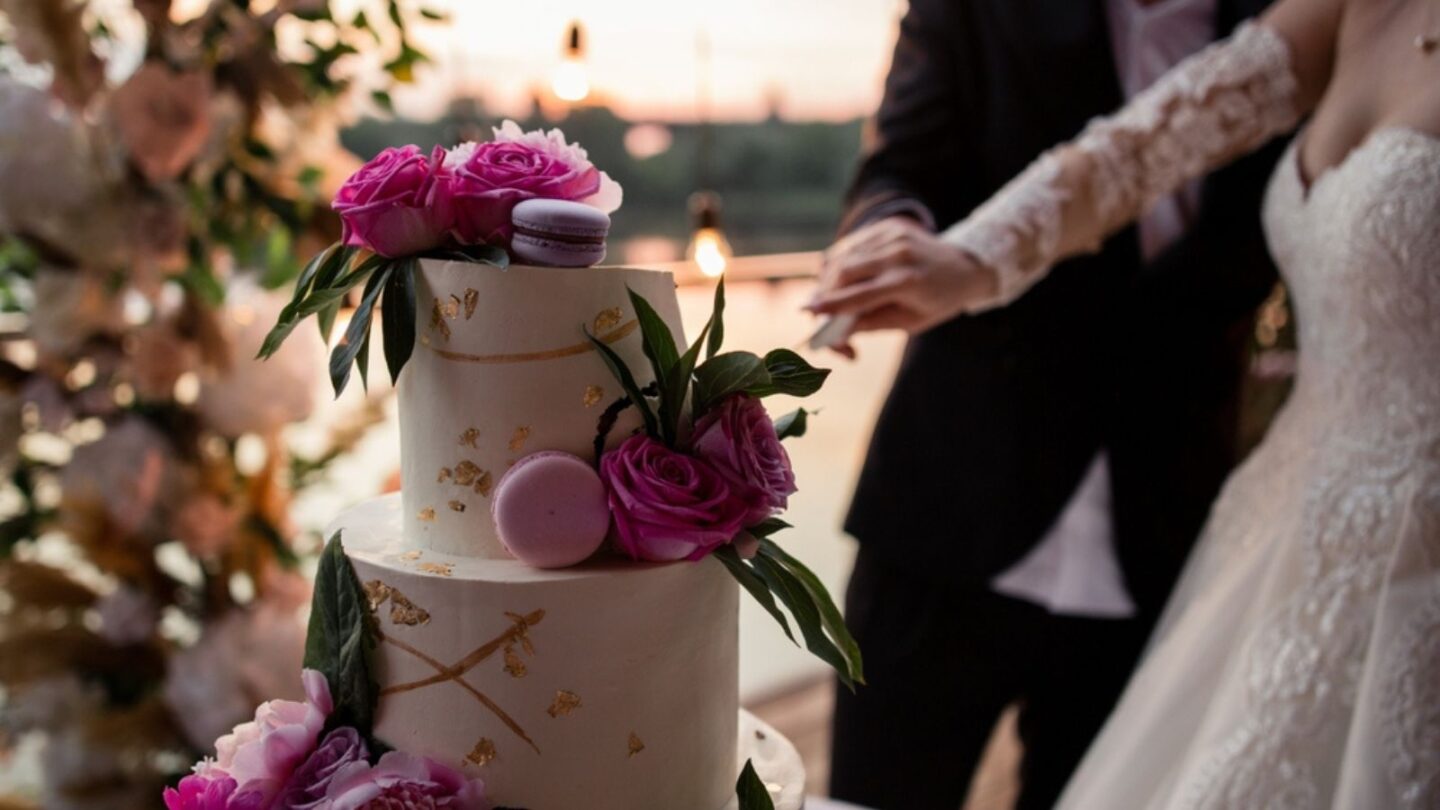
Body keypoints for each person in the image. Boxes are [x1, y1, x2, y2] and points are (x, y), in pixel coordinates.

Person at [812, 0, 1440, 805]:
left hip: (1179, 511)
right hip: (965, 507)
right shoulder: (1338, 9)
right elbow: (1134, 151)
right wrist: (960, 259)